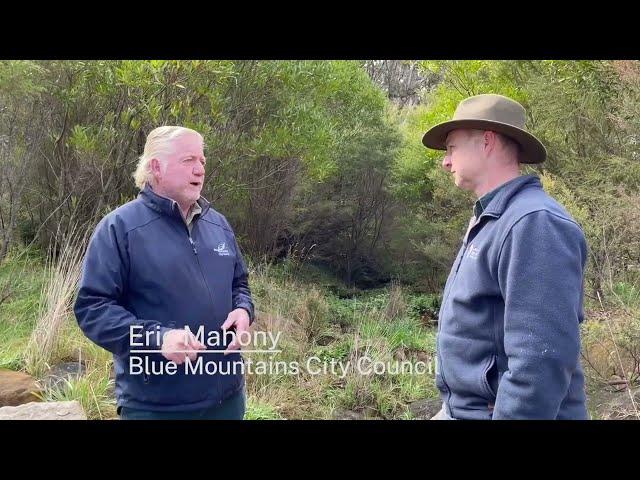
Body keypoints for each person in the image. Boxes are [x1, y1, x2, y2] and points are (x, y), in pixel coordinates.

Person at [422, 94, 588, 419]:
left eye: (452, 148)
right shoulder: (494, 218)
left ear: (486, 141)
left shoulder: (535, 222)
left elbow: (540, 361)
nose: (445, 161)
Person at [74, 126, 254, 420]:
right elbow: (93, 309)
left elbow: (240, 284)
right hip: (156, 406)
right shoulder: (119, 228)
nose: (199, 170)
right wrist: (156, 339)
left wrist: (244, 310)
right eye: (188, 161)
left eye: (203, 161)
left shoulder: (218, 224)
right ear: (156, 167)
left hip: (228, 398)